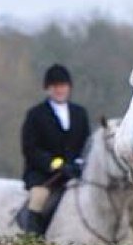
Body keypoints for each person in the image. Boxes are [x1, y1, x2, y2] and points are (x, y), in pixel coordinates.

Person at [19, 63, 90, 235]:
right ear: (47, 89)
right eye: (55, 86)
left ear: (69, 87)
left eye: (63, 86)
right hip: (44, 175)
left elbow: (86, 143)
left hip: (73, 172)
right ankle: (32, 238)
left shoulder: (80, 113)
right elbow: (30, 148)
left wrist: (79, 162)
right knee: (38, 197)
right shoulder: (36, 114)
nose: (60, 90)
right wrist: (55, 164)